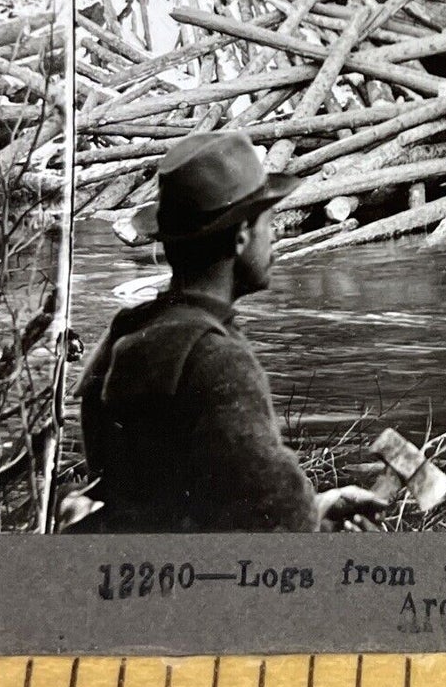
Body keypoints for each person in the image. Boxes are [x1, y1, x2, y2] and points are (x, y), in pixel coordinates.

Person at [62, 131, 387, 533]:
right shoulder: (219, 360)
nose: (276, 239)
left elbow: (165, 497)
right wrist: (308, 520)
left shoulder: (127, 333)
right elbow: (275, 525)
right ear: (241, 236)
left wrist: (318, 507)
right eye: (270, 224)